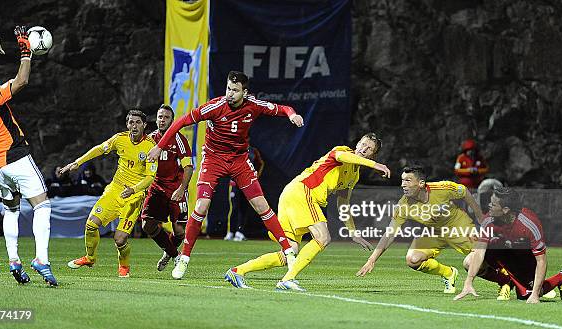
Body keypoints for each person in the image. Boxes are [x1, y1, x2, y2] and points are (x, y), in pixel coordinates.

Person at [147, 71, 304, 280]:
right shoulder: (215, 106)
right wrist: (160, 146)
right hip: (213, 159)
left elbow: (281, 108)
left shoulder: (253, 105)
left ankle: (288, 252)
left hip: (239, 160)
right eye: (228, 88)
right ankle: (184, 258)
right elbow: (182, 122)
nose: (230, 93)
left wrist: (292, 114)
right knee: (201, 207)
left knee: (261, 206)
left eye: (235, 90)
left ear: (244, 92)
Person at [225, 133, 391, 291]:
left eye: (369, 148)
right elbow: (341, 157)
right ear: (357, 144)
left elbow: (343, 203)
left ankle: (237, 271)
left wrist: (353, 232)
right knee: (323, 237)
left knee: (289, 252)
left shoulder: (353, 176)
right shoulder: (342, 151)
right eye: (362, 144)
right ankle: (287, 280)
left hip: (292, 195)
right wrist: (375, 165)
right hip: (303, 192)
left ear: (373, 154)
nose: (363, 149)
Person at [0, 27, 57, 286]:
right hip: (16, 156)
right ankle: (42, 259)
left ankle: (14, 260)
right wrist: (26, 53)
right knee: (42, 206)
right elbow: (21, 82)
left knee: (12, 210)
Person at [357, 165, 484, 294]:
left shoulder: (442, 188)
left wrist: (480, 216)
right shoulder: (403, 205)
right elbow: (389, 234)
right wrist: (371, 260)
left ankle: (503, 282)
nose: (403, 185)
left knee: (480, 259)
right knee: (413, 259)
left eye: (408, 180)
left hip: (459, 228)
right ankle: (448, 273)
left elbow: (464, 192)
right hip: (434, 233)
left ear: (421, 183)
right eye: (402, 180)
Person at [61, 110, 157, 277]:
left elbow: (150, 177)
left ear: (144, 125)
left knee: (120, 239)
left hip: (134, 196)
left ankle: (124, 266)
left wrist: (133, 190)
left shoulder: (151, 147)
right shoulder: (119, 139)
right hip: (115, 190)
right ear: (127, 125)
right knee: (91, 225)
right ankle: (90, 258)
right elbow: (99, 149)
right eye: (131, 122)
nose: (134, 126)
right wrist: (78, 162)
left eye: (138, 123)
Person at [454, 187, 562, 303]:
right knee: (469, 262)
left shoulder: (529, 224)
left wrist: (535, 294)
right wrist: (468, 282)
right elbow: (480, 252)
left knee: (527, 294)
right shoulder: (488, 220)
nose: (489, 205)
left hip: (524, 257)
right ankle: (506, 281)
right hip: (501, 253)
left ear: (505, 210)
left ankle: (561, 278)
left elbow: (541, 261)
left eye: (493, 204)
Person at [140, 104, 193, 271]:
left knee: (179, 232)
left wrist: (182, 189)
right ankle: (174, 254)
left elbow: (188, 167)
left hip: (176, 188)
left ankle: (168, 252)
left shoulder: (179, 140)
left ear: (172, 121)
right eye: (160, 117)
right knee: (147, 225)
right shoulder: (149, 139)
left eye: (166, 117)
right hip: (157, 187)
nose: (162, 120)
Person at [224, 147, 264, 241]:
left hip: (247, 183)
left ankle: (239, 232)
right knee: (233, 208)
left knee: (244, 208)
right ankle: (230, 232)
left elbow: (261, 163)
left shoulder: (253, 151)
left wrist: (256, 176)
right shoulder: (235, 148)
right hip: (235, 183)